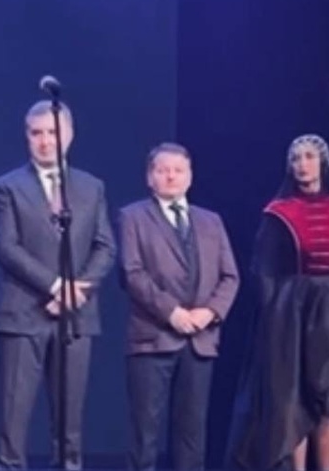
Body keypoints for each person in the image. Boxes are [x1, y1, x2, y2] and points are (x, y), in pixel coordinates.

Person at [227, 134, 329, 471]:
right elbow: (264, 271)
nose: (302, 164)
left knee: (327, 401)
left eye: (309, 156)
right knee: (293, 404)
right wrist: (273, 320)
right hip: (291, 318)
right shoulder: (278, 212)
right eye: (295, 158)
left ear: (323, 162)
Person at [0, 100, 116, 470]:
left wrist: (77, 290)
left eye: (52, 133)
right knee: (13, 424)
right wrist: (57, 285)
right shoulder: (8, 187)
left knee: (69, 424)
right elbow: (7, 248)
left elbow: (105, 246)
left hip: (76, 318)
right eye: (37, 133)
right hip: (22, 315)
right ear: (27, 136)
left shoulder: (91, 187)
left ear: (70, 135)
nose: (45, 141)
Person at [118, 142, 240, 471]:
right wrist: (172, 312)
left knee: (191, 435)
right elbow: (132, 274)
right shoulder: (133, 217)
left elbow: (230, 276)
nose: (171, 176)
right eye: (163, 170)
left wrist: (210, 312)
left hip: (200, 340)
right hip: (152, 338)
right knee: (145, 435)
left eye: (178, 170)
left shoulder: (211, 221)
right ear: (150, 177)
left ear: (190, 176)